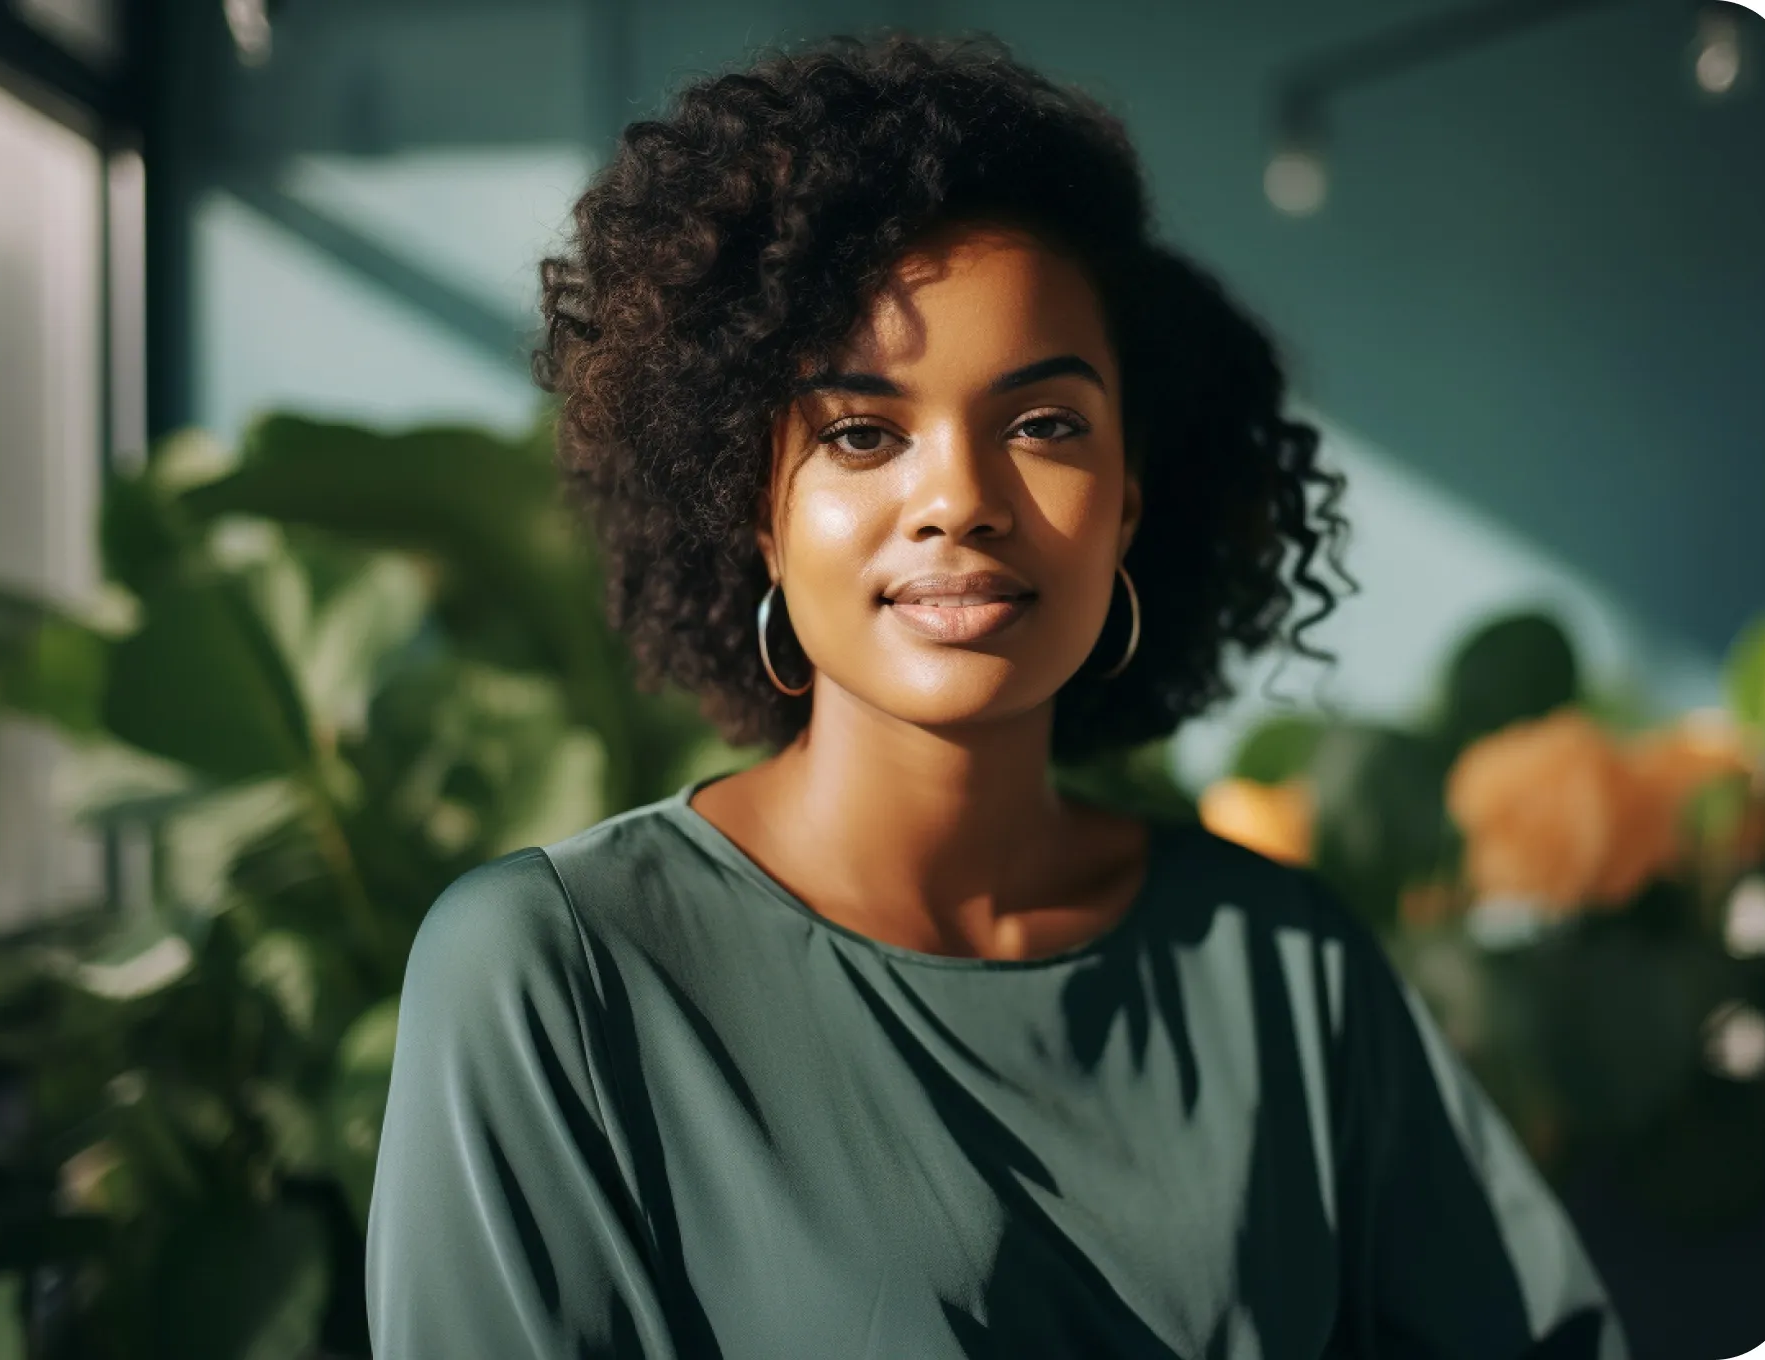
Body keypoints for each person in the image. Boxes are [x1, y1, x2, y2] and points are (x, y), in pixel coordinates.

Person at [365, 34, 1622, 1360]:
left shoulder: (1285, 966)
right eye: (862, 432)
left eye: (1043, 425)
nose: (960, 499)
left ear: (1127, 500)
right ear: (757, 510)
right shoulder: (558, 973)